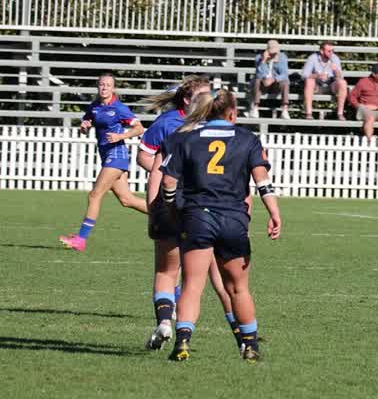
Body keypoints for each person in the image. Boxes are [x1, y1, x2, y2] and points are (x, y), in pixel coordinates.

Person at [160, 88, 281, 363]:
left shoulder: (187, 137)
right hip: (233, 218)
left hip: (198, 216)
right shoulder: (248, 139)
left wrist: (170, 207)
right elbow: (262, 182)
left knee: (192, 284)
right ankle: (250, 346)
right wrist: (274, 213)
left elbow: (168, 182)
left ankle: (182, 343)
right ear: (232, 112)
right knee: (238, 288)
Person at [136, 85, 245, 352]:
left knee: (168, 272)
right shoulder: (221, 138)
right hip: (210, 214)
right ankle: (243, 339)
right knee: (221, 282)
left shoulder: (177, 136)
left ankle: (166, 323)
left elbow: (159, 175)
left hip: (175, 209)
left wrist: (155, 210)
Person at [58, 72, 149, 251]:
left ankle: (81, 239)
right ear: (98, 86)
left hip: (117, 155)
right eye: (101, 84)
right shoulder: (95, 106)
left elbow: (139, 129)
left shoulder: (120, 108)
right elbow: (88, 120)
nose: (104, 87)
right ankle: (170, 216)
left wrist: (121, 136)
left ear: (113, 88)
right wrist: (84, 127)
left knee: (94, 195)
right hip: (107, 156)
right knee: (127, 199)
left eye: (108, 85)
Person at [301, 41, 348, 119]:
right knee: (309, 81)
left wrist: (336, 71)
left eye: (333, 51)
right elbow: (304, 75)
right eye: (329, 51)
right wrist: (317, 76)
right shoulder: (313, 58)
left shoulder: (335, 58)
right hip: (317, 85)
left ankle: (340, 114)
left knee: (343, 83)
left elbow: (340, 77)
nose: (331, 53)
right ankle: (308, 113)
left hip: (331, 84)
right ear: (322, 51)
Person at [247, 40, 289, 119]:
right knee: (257, 80)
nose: (273, 54)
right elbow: (259, 73)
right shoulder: (259, 58)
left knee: (285, 82)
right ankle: (255, 108)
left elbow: (284, 74)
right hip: (263, 84)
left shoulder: (282, 57)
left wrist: (273, 79)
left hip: (276, 84)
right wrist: (263, 61)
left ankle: (285, 109)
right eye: (272, 52)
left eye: (275, 52)